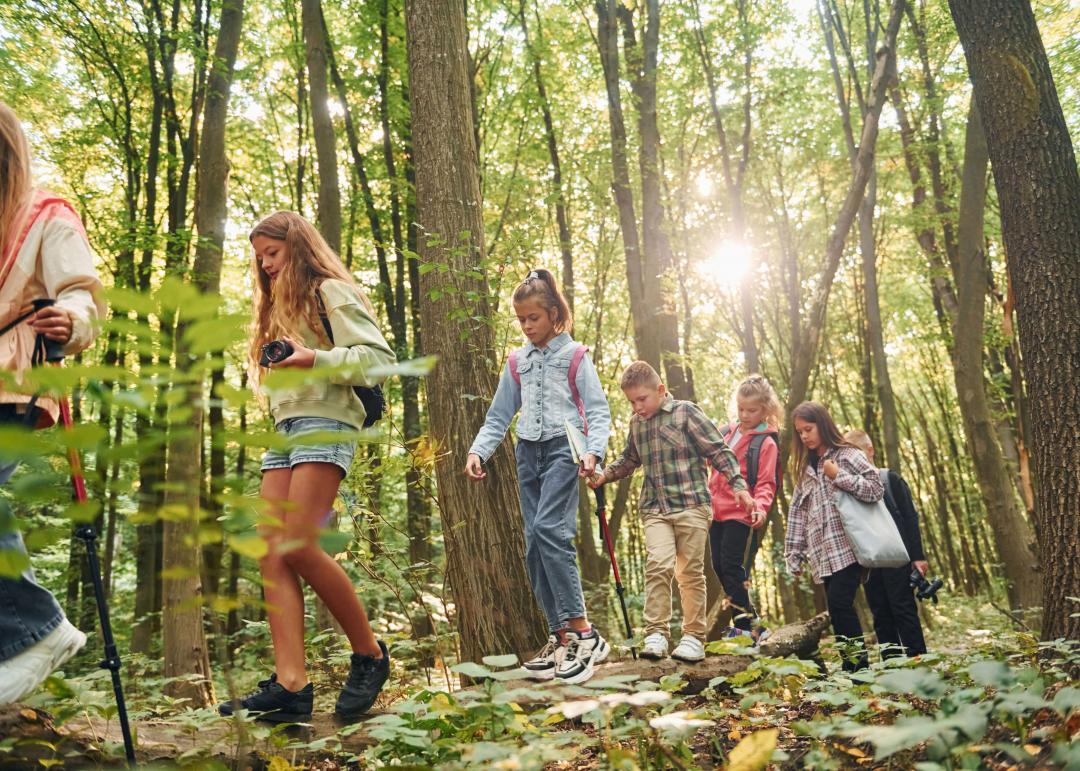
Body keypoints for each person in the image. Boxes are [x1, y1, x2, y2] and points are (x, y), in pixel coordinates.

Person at [217, 211, 396, 723]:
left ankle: (370, 654)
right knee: (271, 552)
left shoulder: (331, 291)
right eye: (260, 258)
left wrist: (311, 358)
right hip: (286, 428)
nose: (266, 264)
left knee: (298, 543)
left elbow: (377, 361)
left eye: (273, 253)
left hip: (327, 421)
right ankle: (292, 685)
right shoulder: (276, 305)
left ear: (297, 247)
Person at [0, 102, 105, 705]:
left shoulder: (47, 213)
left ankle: (38, 630)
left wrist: (71, 319)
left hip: (14, 377)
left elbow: (80, 294)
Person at [465, 268, 612, 685]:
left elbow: (597, 411)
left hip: (566, 449)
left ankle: (585, 634)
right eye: (521, 320)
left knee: (551, 530)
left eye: (534, 318)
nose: (528, 326)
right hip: (527, 452)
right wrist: (479, 450)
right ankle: (561, 636)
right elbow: (498, 416)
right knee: (533, 544)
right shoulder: (517, 362)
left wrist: (592, 453)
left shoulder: (577, 356)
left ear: (553, 313)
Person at [589, 361, 753, 663]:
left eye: (642, 399)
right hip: (655, 508)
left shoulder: (686, 413)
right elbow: (629, 459)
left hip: (691, 504)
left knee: (690, 572)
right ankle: (656, 633)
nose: (638, 407)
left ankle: (693, 637)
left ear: (660, 390)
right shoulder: (637, 423)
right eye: (632, 401)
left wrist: (739, 487)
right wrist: (605, 474)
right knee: (658, 565)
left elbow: (719, 451)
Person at [784, 401, 884, 672]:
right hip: (823, 555)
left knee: (840, 605)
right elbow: (797, 514)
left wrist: (839, 476)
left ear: (823, 424)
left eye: (809, 429)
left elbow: (876, 488)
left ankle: (858, 671)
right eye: (800, 432)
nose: (804, 436)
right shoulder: (805, 468)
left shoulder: (847, 455)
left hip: (849, 547)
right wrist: (794, 554)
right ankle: (853, 668)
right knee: (839, 609)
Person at [843, 429, 929, 658]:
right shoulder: (850, 488)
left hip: (898, 556)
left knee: (903, 608)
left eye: (856, 452)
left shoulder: (889, 479)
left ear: (869, 451)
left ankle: (918, 660)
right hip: (870, 561)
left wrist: (918, 556)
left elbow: (910, 517)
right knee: (880, 612)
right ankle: (892, 666)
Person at [709, 374, 781, 642]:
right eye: (741, 408)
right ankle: (751, 626)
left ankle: (746, 629)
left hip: (741, 512)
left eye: (752, 410)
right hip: (715, 512)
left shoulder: (766, 443)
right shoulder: (726, 432)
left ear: (765, 409)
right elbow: (710, 459)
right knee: (718, 565)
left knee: (731, 565)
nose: (745, 414)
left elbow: (766, 483)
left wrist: (760, 508)